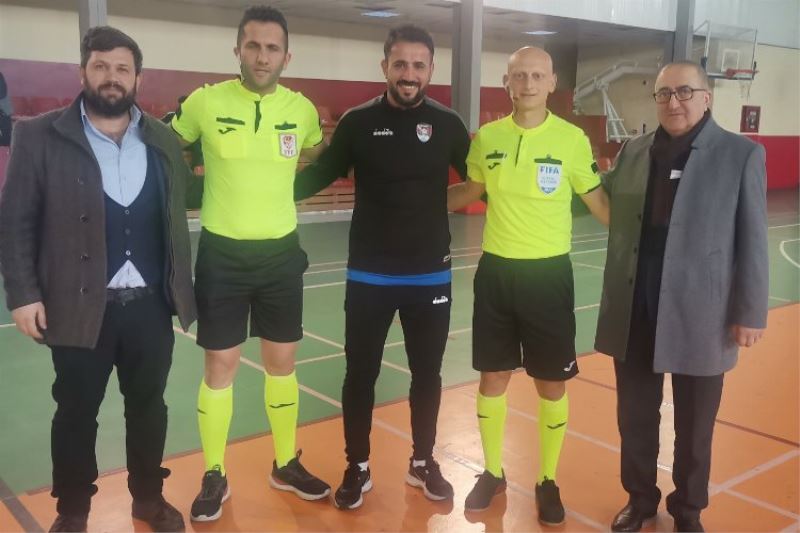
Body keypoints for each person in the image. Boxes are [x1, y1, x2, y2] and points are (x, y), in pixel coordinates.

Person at [0, 26, 197, 533]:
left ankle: (148, 499)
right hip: (76, 304)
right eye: (101, 66)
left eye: (122, 68)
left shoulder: (161, 139)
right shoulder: (39, 135)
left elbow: (173, 217)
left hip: (150, 306)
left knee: (149, 409)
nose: (112, 77)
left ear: (138, 78)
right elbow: (16, 220)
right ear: (82, 72)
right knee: (75, 412)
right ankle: (73, 511)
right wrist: (23, 294)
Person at [294, 24, 471, 510]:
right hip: (369, 274)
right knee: (360, 374)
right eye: (400, 64)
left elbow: (481, 181)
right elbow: (319, 175)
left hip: (430, 274)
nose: (409, 73)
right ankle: (358, 465)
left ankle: (423, 461)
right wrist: (262, 192)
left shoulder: (449, 124)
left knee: (427, 374)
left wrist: (439, 206)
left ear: (431, 69)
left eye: (418, 65)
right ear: (385, 66)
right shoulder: (358, 122)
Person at [170, 5, 329, 522]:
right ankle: (214, 473)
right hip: (223, 255)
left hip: (281, 255)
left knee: (283, 362)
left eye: (272, 48)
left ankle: (285, 463)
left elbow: (315, 156)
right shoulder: (205, 102)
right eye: (254, 46)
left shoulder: (302, 111)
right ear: (238, 49)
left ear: (287, 56)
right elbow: (168, 147)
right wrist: (189, 193)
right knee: (221, 365)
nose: (263, 56)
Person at [594, 61, 768, 533]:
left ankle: (688, 510)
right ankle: (640, 500)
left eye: (685, 92)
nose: (674, 102)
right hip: (636, 305)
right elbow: (598, 200)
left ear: (707, 98)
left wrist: (750, 311)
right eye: (664, 93)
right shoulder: (633, 152)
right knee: (635, 417)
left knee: (694, 426)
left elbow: (754, 239)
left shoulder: (740, 155)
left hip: (703, 312)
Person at [447, 46, 609, 525]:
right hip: (496, 273)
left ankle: (547, 479)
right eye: (520, 75)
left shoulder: (572, 140)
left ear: (552, 82)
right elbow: (471, 190)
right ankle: (492, 471)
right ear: (507, 82)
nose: (529, 83)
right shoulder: (488, 138)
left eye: (538, 75)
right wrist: (410, 202)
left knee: (551, 383)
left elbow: (599, 203)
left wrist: (644, 240)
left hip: (548, 275)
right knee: (492, 377)